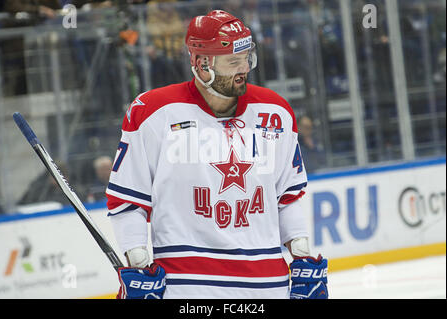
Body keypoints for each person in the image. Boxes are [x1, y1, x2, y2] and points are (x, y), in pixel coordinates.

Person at [107, 10, 328, 299]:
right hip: (186, 284)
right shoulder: (153, 113)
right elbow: (128, 200)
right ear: (201, 64)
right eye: (233, 61)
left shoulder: (276, 112)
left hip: (265, 285)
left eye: (247, 58)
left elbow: (287, 197)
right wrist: (138, 261)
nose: (244, 68)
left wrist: (301, 255)